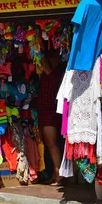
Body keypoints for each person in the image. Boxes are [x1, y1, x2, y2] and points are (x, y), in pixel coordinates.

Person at [37, 50, 65, 186]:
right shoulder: (54, 73)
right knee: (50, 145)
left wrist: (38, 50)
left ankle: (58, 174)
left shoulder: (55, 74)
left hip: (49, 112)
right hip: (46, 111)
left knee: (52, 144)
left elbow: (46, 68)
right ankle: (55, 174)